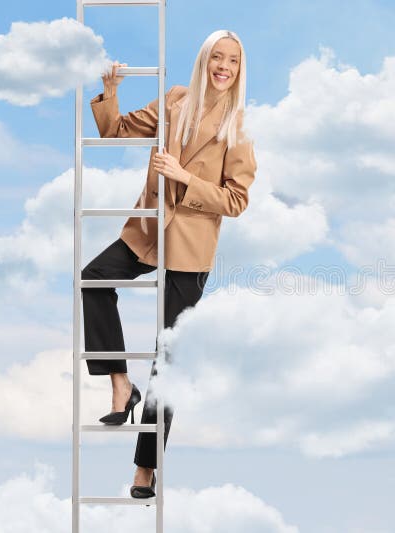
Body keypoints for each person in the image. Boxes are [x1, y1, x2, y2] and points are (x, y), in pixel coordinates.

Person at [81, 29, 256, 499]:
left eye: (233, 61)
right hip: (149, 229)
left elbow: (236, 200)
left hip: (192, 245)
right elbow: (116, 131)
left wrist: (184, 178)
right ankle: (120, 383)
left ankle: (145, 468)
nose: (223, 67)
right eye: (217, 57)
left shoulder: (238, 126)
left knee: (168, 357)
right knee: (93, 278)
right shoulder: (176, 98)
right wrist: (110, 94)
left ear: (240, 70)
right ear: (204, 60)